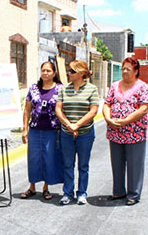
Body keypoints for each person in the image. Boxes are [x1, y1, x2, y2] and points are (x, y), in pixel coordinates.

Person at [103, 57, 148, 206]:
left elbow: (144, 108)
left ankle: (133, 194)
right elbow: (107, 104)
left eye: (128, 69)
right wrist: (108, 118)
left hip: (135, 133)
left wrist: (125, 121)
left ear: (136, 71)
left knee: (135, 164)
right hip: (115, 132)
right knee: (117, 162)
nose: (124, 71)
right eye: (123, 68)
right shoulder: (114, 86)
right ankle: (118, 191)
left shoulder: (142, 86)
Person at [55, 60, 99, 205]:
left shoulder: (92, 89)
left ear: (81, 73)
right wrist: (69, 125)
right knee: (68, 164)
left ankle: (82, 193)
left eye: (73, 71)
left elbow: (93, 111)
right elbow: (58, 109)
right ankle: (68, 193)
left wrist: (77, 125)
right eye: (69, 70)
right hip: (66, 133)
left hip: (85, 133)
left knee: (83, 165)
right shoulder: (64, 89)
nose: (69, 73)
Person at [21, 61, 63, 200]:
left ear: (54, 73)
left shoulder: (60, 89)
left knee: (48, 158)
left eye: (48, 71)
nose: (45, 73)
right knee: (33, 158)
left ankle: (46, 187)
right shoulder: (33, 88)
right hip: (35, 129)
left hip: (52, 130)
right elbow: (27, 110)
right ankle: (32, 187)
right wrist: (25, 129)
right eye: (43, 70)